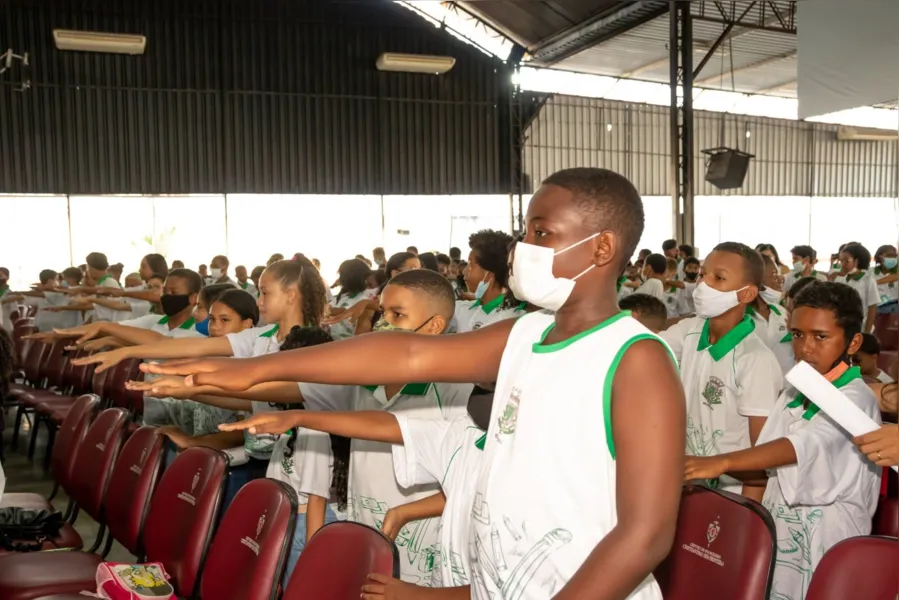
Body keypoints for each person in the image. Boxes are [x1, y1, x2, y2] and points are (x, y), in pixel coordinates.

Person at [143, 168, 685, 600]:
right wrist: (257, 369)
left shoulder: (636, 359)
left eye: (542, 232)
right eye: (526, 231)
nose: (524, 247)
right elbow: (405, 352)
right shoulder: (526, 335)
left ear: (601, 247)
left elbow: (645, 536)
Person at [141, 268, 474, 587]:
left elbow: (472, 479)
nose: (384, 324)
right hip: (362, 533)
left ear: (434, 327)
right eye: (382, 314)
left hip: (421, 546)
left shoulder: (457, 394)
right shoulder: (363, 382)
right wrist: (191, 383)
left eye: (397, 316)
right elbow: (269, 386)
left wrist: (406, 512)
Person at [684, 281, 881, 600]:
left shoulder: (856, 398)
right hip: (783, 529)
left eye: (821, 337)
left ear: (853, 341)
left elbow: (802, 447)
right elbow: (765, 460)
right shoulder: (795, 392)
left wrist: (720, 461)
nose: (805, 348)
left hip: (826, 540)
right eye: (798, 335)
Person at [660, 242, 782, 500]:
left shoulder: (755, 359)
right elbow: (648, 349)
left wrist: (748, 520)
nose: (704, 284)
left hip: (731, 495)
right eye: (704, 274)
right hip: (689, 483)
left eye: (719, 278)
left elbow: (761, 457)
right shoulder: (690, 330)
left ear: (746, 294)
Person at [153, 289, 260, 451]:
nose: (215, 327)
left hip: (230, 464)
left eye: (224, 320)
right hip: (200, 452)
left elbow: (241, 433)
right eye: (211, 319)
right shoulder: (210, 360)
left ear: (247, 324)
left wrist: (191, 442)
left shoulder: (248, 368)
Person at [453, 229, 523, 333]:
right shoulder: (463, 308)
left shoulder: (510, 318)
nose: (464, 271)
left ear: (489, 274)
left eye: (470, 265)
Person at [746, 253, 794, 376]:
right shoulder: (740, 317)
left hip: (786, 387)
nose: (779, 278)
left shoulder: (782, 312)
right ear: (755, 280)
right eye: (773, 274)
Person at [328, 259, 378, 340]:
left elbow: (345, 310)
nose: (339, 279)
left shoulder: (365, 297)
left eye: (341, 275)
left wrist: (326, 311)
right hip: (335, 342)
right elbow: (330, 307)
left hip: (350, 343)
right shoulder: (344, 295)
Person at [834, 243, 879, 333]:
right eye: (841, 261)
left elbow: (872, 308)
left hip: (862, 328)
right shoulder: (840, 281)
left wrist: (867, 332)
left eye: (847, 261)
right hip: (844, 327)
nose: (843, 264)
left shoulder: (868, 280)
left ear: (857, 261)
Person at [0, 267, 12, 332]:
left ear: (7, 277)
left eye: (0, 276)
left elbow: (15, 313)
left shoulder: (10, 293)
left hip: (5, 326)